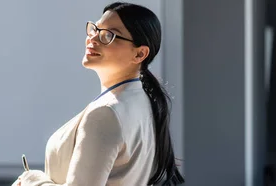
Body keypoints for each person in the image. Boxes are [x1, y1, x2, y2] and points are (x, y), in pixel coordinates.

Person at [11, 2, 184, 186]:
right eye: (95, 29)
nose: (93, 38)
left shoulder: (107, 113)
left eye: (108, 35)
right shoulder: (142, 102)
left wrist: (33, 181)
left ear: (139, 54)